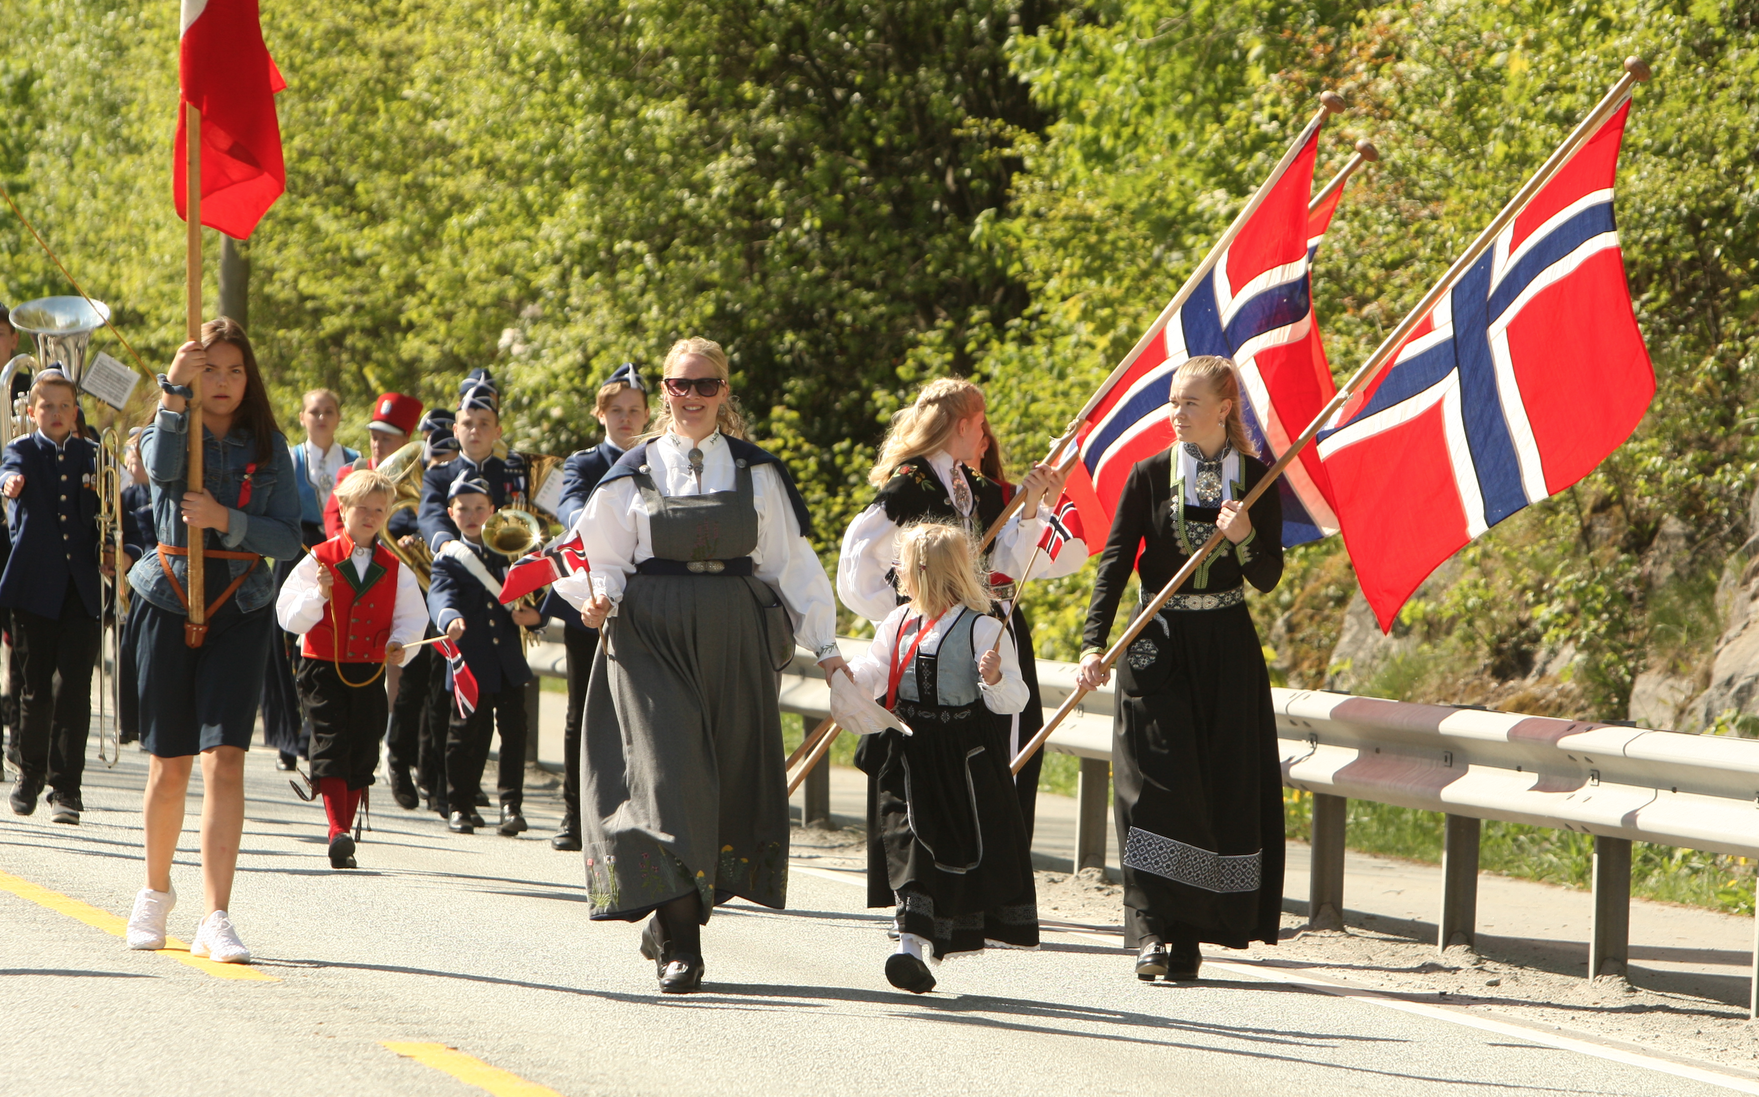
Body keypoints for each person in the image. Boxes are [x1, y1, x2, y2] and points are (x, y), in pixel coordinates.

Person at [561, 336, 844, 995]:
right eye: (679, 385)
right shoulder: (631, 471)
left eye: (705, 385)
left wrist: (828, 651)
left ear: (724, 391)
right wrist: (597, 596)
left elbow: (790, 564)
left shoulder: (757, 472)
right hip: (649, 639)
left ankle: (672, 913)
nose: (691, 396)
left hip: (734, 640)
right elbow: (597, 554)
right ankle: (682, 946)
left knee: (724, 788)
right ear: (664, 391)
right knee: (667, 781)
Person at [1075, 355, 1285, 983]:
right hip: (1156, 647)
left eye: (1190, 403)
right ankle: (1150, 928)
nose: (1177, 413)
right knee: (1155, 788)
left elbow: (1267, 577)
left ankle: (1191, 932)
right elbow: (1115, 564)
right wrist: (1092, 644)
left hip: (1227, 649)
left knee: (1214, 788)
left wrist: (1244, 536)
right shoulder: (1147, 475)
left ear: (1224, 408)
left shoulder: (1256, 479)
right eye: (1173, 402)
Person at [123, 317, 302, 964]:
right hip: (169, 597)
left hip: (241, 605)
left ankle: (215, 915)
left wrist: (227, 518)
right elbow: (160, 468)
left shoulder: (271, 447)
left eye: (234, 370)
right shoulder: (168, 426)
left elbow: (288, 536)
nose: (222, 382)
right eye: (210, 370)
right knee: (169, 763)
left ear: (249, 378)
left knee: (225, 758)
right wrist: (174, 388)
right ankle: (154, 891)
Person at [837, 378, 1083, 842]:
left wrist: (1033, 504)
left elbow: (1008, 564)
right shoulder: (910, 483)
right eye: (981, 422)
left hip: (985, 637)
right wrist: (908, 614)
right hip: (934, 646)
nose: (985, 434)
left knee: (1000, 750)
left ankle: (994, 862)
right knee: (944, 761)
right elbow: (858, 561)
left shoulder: (969, 484)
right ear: (963, 425)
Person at [843, 521, 1037, 993]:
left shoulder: (983, 627)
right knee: (907, 838)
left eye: (904, 566)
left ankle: (918, 944)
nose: (899, 574)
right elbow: (877, 668)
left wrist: (994, 678)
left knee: (944, 849)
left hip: (959, 758)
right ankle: (908, 948)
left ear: (925, 570)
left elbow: (1016, 699)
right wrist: (852, 677)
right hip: (905, 749)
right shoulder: (897, 621)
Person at [276, 469, 427, 869]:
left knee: (363, 747)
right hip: (321, 668)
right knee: (330, 742)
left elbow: (412, 618)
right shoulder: (318, 558)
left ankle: (342, 830)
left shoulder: (395, 567)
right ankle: (337, 831)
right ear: (342, 508)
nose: (371, 516)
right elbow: (287, 615)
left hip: (368, 671)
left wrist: (400, 643)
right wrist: (319, 594)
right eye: (362, 508)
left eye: (379, 510)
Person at [541, 362, 649, 852]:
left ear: (647, 414)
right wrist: (596, 521)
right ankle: (575, 813)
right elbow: (569, 506)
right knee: (583, 710)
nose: (626, 419)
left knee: (641, 710)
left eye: (635, 411)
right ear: (600, 414)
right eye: (616, 410)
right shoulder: (586, 463)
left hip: (643, 598)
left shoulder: (658, 460)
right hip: (589, 597)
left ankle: (636, 808)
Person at [0, 370, 110, 822]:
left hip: (81, 589)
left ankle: (67, 788)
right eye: (48, 406)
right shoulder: (21, 450)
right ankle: (29, 775)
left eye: (66, 406)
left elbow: (111, 515)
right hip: (34, 588)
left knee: (75, 691)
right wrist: (9, 484)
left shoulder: (94, 455)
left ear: (76, 411)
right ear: (32, 412)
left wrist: (116, 552)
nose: (58, 413)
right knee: (35, 689)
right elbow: (8, 474)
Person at [321, 391, 426, 809]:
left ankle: (391, 748)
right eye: (374, 435)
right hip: (349, 578)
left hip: (394, 579)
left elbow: (426, 518)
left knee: (397, 662)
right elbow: (334, 524)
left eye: (388, 437)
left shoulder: (419, 474)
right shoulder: (351, 473)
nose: (378, 444)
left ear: (406, 440)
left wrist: (411, 542)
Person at [428, 477, 545, 836]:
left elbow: (539, 587)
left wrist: (538, 615)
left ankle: (511, 806)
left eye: (480, 508)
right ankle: (459, 805)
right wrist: (449, 617)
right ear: (451, 513)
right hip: (471, 661)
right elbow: (440, 594)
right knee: (465, 734)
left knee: (514, 732)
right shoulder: (448, 559)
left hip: (507, 660)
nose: (472, 515)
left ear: (493, 511)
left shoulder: (510, 549)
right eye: (463, 509)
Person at [263, 389, 358, 772]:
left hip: (340, 554)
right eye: (314, 411)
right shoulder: (290, 459)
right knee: (285, 639)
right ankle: (288, 736)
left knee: (331, 637)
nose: (321, 418)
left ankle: (318, 731)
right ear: (302, 417)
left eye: (328, 411)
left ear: (338, 417)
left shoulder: (353, 460)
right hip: (296, 550)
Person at [417, 369, 527, 553]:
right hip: (455, 562)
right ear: (455, 430)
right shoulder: (437, 476)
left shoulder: (516, 472)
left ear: (497, 432)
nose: (475, 431)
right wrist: (448, 548)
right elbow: (431, 517)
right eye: (467, 424)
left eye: (484, 424)